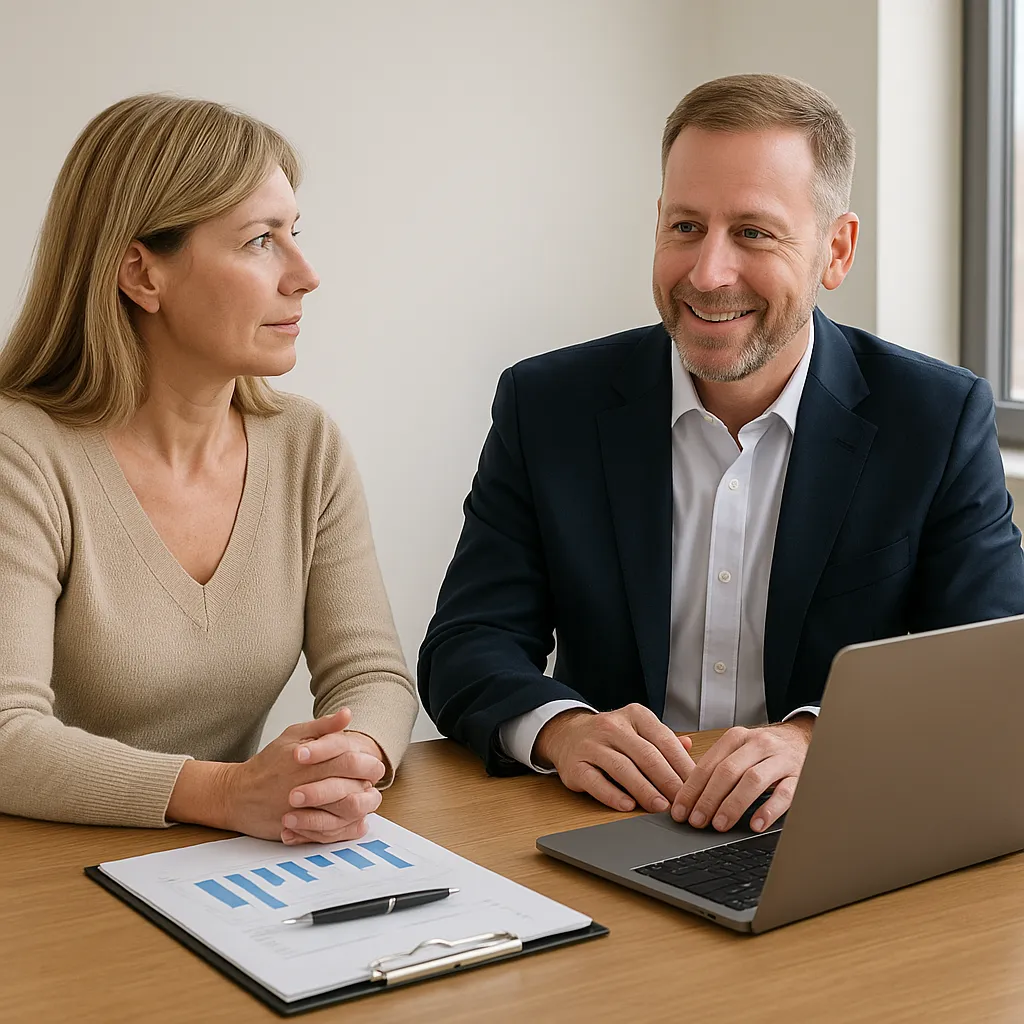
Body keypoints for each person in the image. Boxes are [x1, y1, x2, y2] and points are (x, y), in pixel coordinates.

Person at [418, 73, 1024, 836]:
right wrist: (561, 729)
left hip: (827, 830)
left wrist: (816, 738)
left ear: (835, 251)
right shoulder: (548, 405)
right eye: (684, 227)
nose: (707, 274)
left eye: (753, 232)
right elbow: (466, 646)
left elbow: (991, 672)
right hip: (610, 825)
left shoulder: (935, 419)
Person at [0, 95, 418, 845]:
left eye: (296, 234)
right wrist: (227, 791)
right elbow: (5, 735)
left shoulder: (304, 444)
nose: (306, 275)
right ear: (141, 274)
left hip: (226, 866)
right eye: (260, 241)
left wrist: (342, 762)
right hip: (40, 890)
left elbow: (374, 675)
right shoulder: (21, 454)